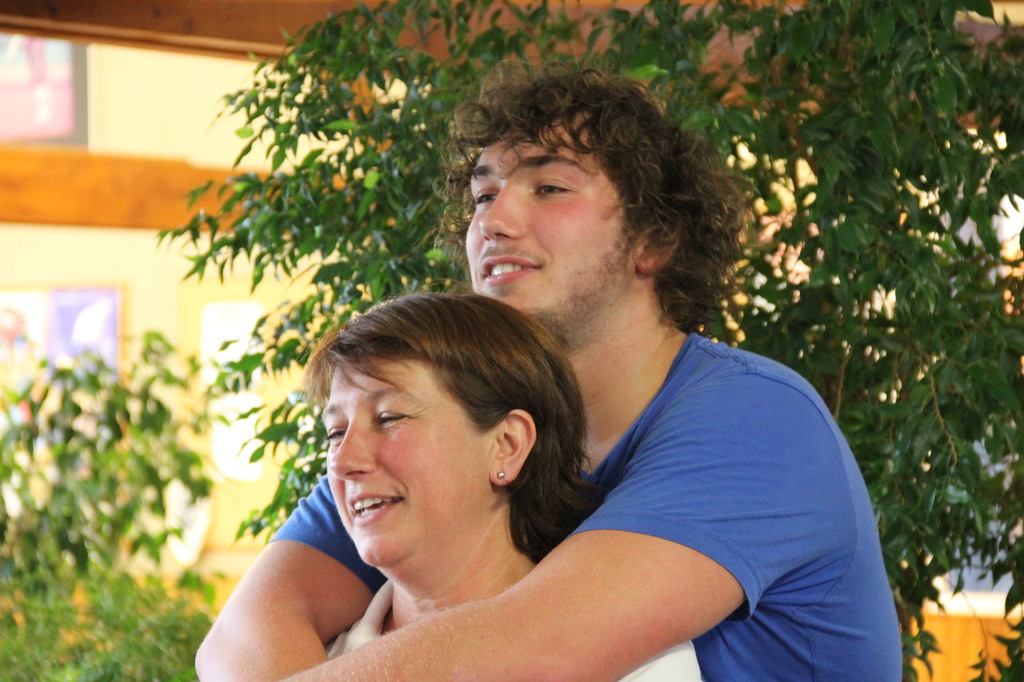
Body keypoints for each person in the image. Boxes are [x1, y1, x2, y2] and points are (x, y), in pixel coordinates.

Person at [196, 63, 902, 681]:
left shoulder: (758, 421)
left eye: (550, 188)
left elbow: (526, 655)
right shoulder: (443, 436)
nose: (492, 220)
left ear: (654, 239)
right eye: (483, 195)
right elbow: (241, 640)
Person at [304, 291, 700, 679]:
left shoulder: (637, 666)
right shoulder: (305, 659)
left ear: (507, 446)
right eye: (335, 432)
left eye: (389, 418)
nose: (343, 461)